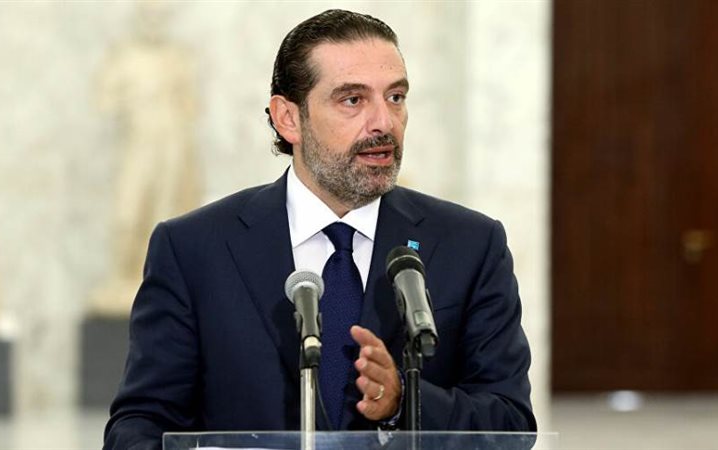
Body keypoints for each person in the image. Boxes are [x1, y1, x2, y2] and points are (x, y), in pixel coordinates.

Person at [104, 9, 536, 449]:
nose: (384, 122)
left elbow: (510, 425)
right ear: (288, 118)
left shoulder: (470, 244)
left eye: (395, 97)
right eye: (353, 100)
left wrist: (404, 402)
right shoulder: (194, 249)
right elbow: (139, 426)